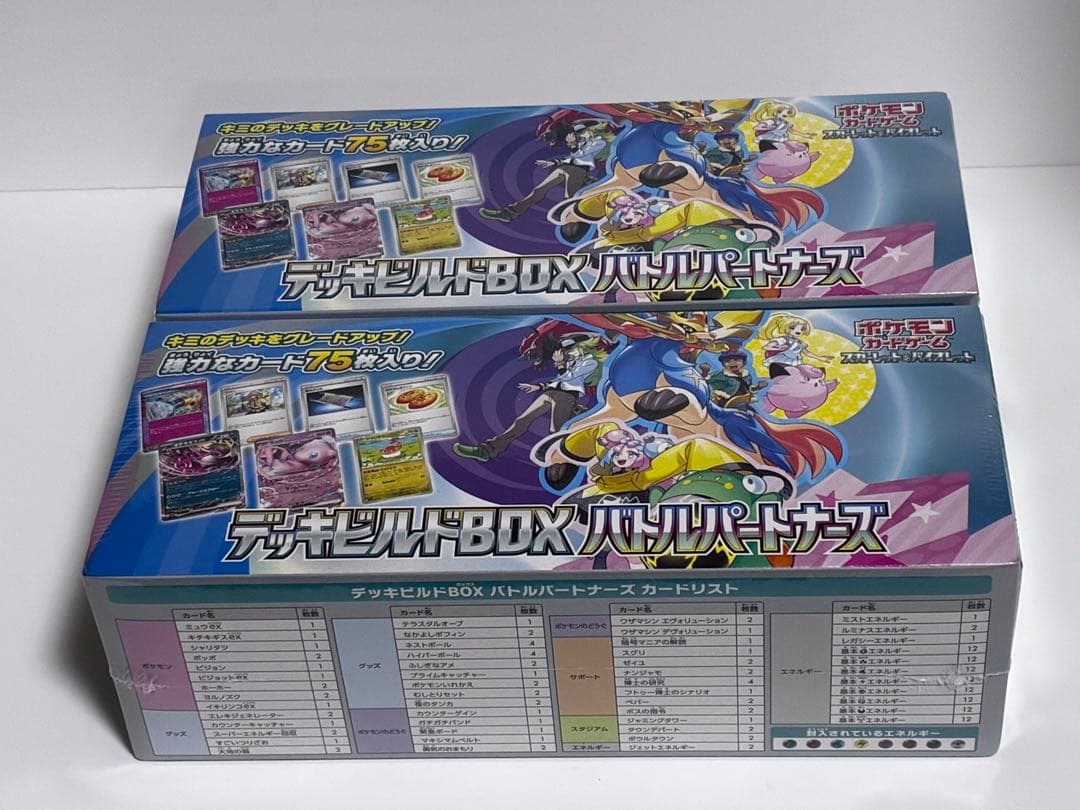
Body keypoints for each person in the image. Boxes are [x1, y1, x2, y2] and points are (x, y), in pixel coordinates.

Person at [479, 120, 607, 222]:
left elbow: (581, 155)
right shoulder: (581, 143)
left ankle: (570, 220)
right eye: (578, 133)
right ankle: (509, 213)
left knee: (569, 198)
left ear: (592, 131)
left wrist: (573, 144)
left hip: (578, 170)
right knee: (538, 190)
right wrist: (553, 162)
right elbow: (571, 158)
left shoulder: (599, 142)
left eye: (582, 132)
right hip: (565, 167)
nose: (579, 135)